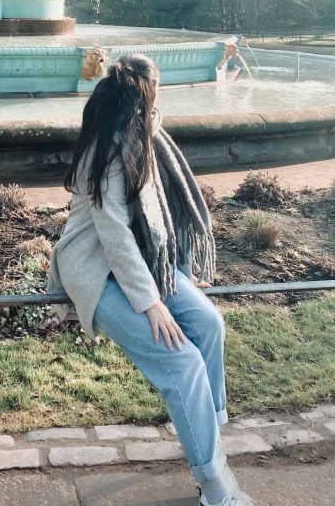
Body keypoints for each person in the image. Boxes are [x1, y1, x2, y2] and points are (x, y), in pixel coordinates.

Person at [48, 54, 255, 506]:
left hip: (149, 262)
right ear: (147, 92)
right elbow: (114, 234)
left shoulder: (149, 132)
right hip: (97, 269)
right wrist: (151, 303)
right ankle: (216, 487)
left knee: (208, 324)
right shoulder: (105, 149)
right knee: (181, 363)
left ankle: (206, 435)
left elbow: (162, 211)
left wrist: (178, 265)